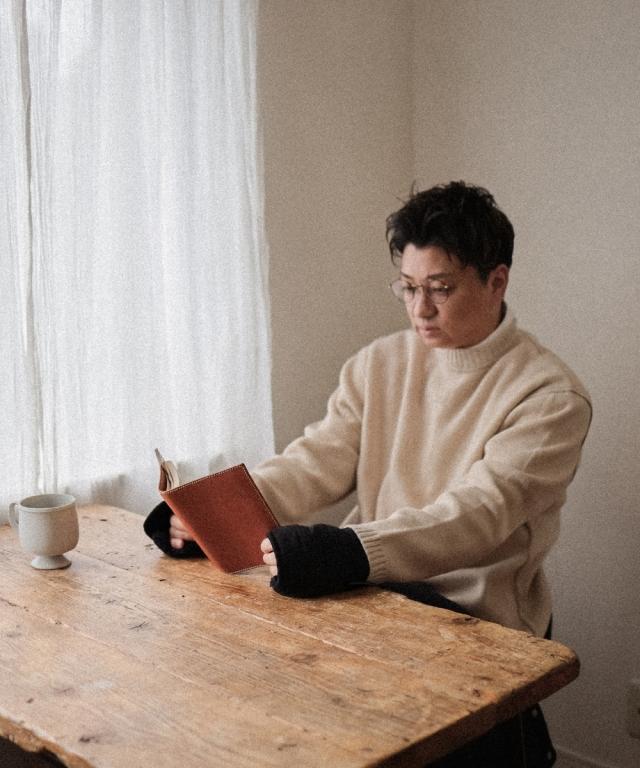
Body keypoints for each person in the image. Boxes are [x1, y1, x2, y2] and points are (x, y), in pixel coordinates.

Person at [144, 181, 591, 767]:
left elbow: (478, 515)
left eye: (440, 289)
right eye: (407, 287)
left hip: (477, 618)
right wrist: (210, 510)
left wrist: (352, 551)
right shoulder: (379, 363)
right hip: (375, 594)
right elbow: (316, 461)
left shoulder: (550, 397)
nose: (420, 309)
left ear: (497, 281)